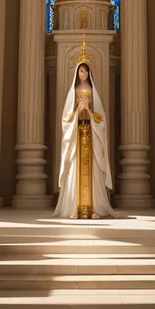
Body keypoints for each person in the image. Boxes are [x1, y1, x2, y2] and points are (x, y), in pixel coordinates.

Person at [54, 48, 114, 219]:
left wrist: (89, 110)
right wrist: (77, 111)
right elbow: (66, 118)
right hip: (77, 135)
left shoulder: (93, 92)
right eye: (81, 70)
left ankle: (93, 208)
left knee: (92, 171)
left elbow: (101, 118)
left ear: (89, 72)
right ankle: (75, 207)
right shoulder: (73, 93)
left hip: (90, 134)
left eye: (86, 70)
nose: (83, 73)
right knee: (75, 170)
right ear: (77, 72)